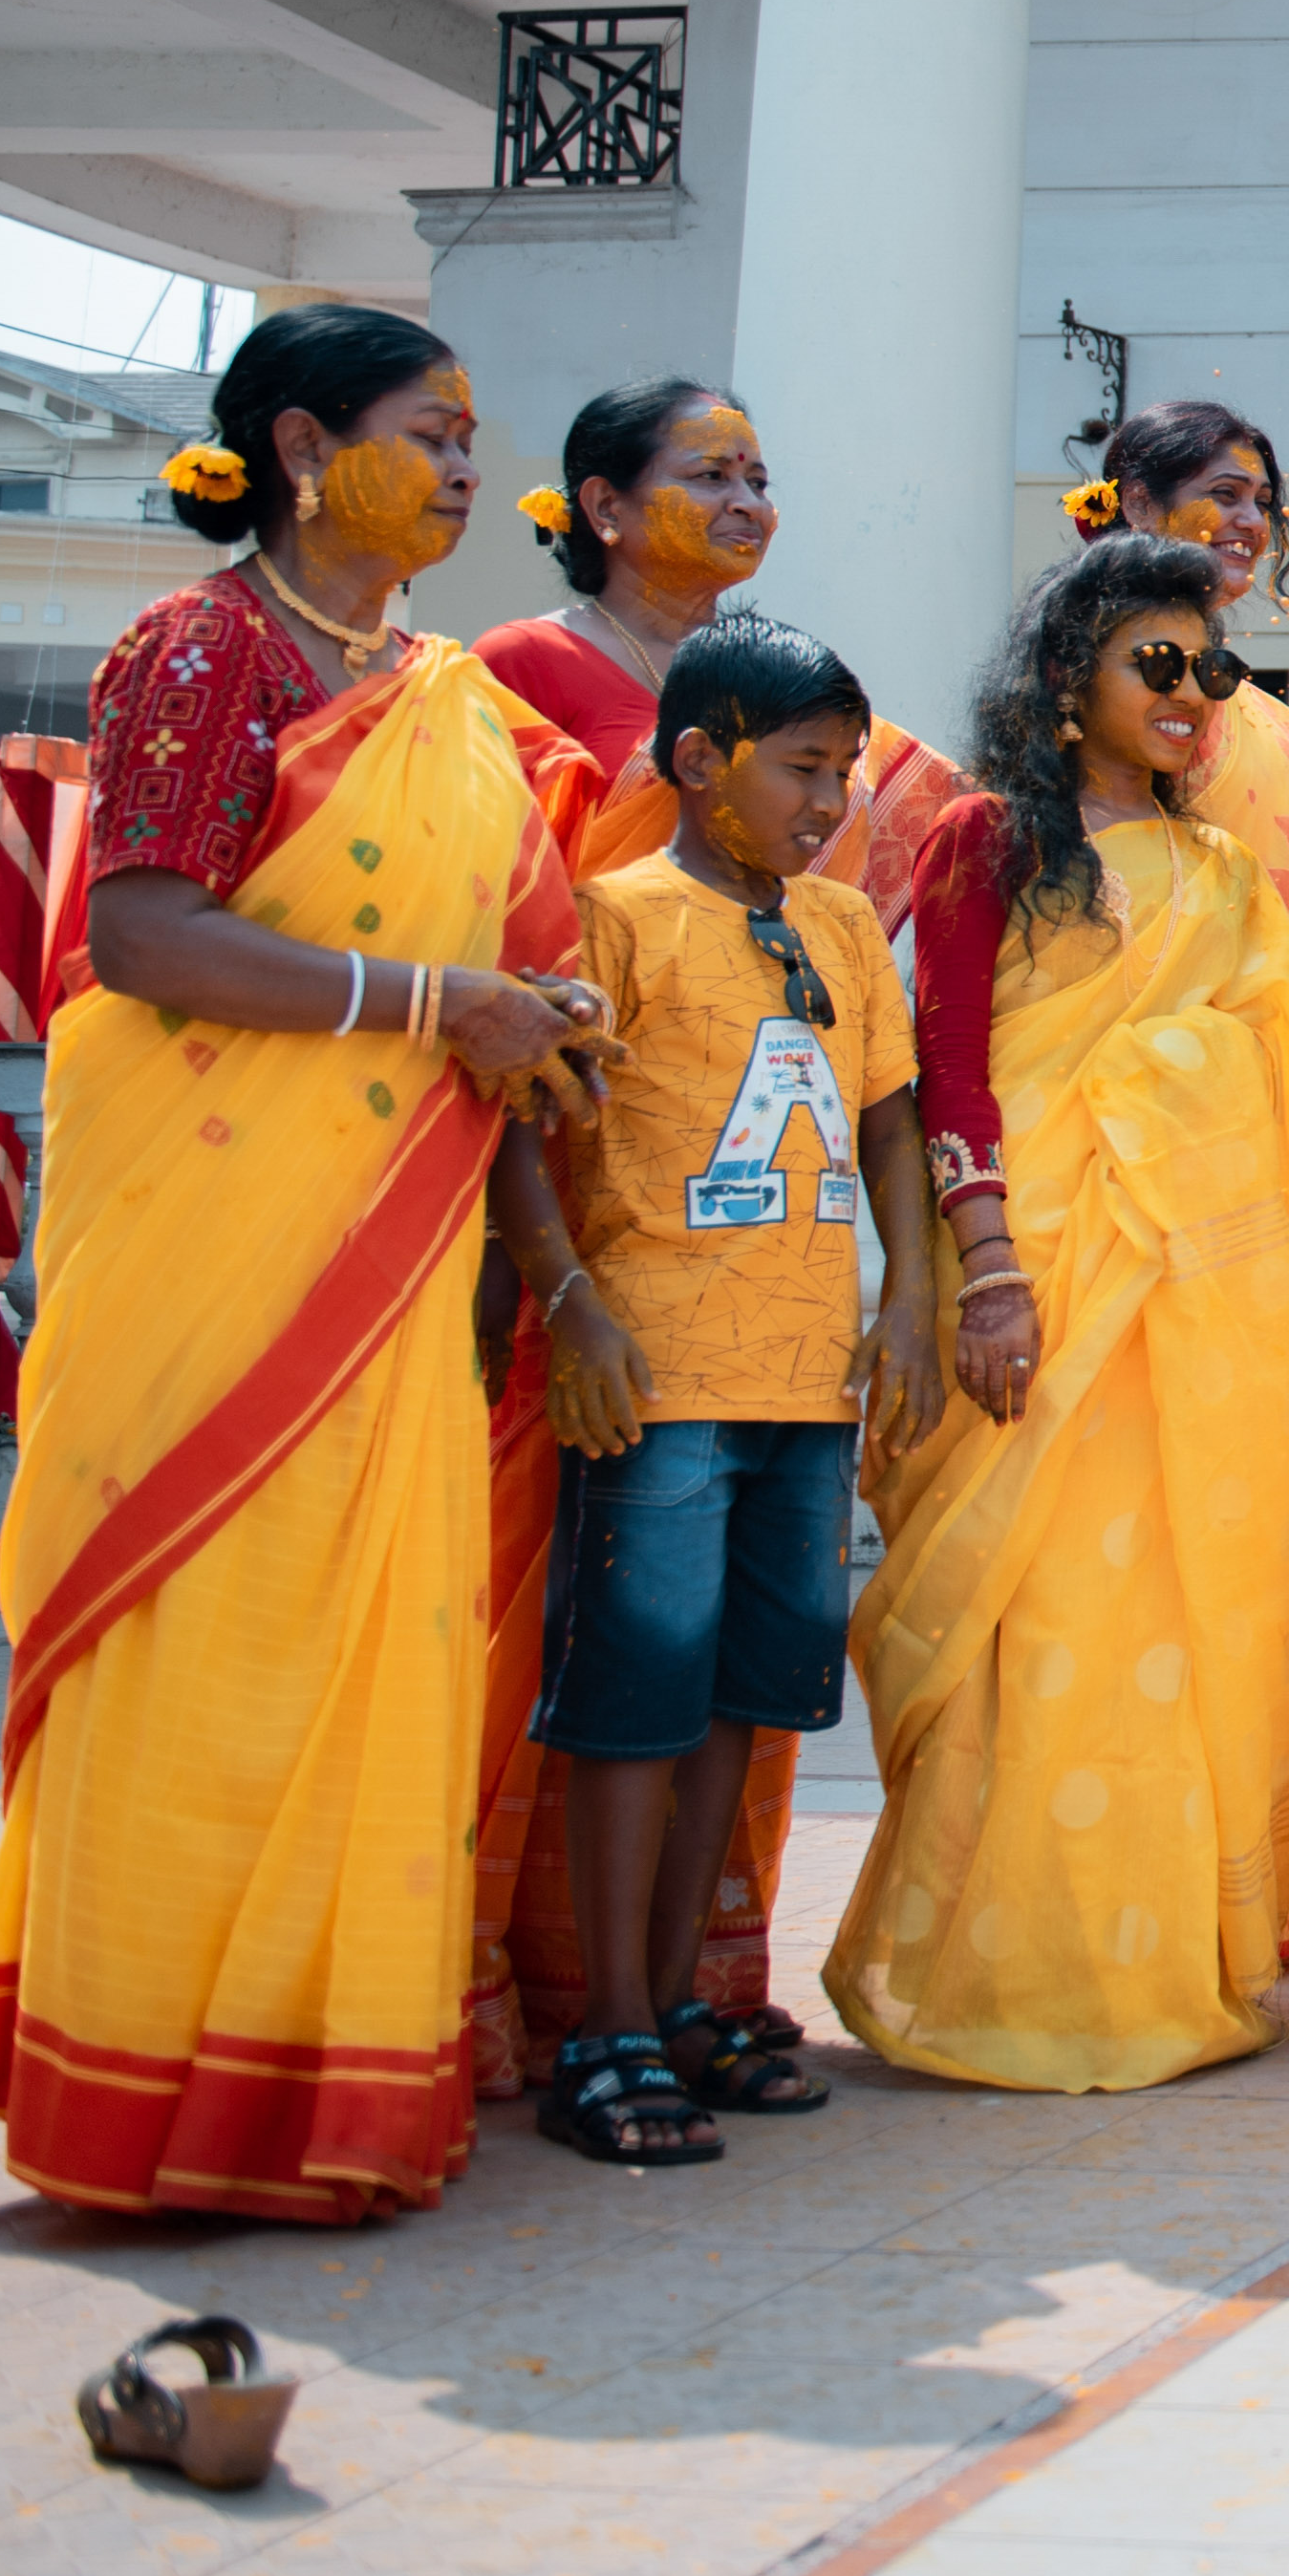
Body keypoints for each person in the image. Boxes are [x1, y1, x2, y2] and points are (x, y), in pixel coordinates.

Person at [0, 303, 610, 2221]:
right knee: (201, 1637)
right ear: (307, 449)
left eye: (480, 433)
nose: (472, 465)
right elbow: (138, 933)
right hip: (211, 1243)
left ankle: (317, 2081)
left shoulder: (446, 697)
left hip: (388, 1255)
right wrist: (433, 997)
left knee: (360, 1643)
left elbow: (501, 941)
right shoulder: (198, 647)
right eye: (433, 430)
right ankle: (145, 2096)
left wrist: (527, 1005)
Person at [463, 377, 956, 2093]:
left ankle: (683, 1995)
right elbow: (528, 1109)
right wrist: (574, 1302)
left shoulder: (829, 909)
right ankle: (600, 2020)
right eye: (708, 471)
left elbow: (889, 1111)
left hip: (806, 1378)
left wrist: (906, 1308)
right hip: (648, 1362)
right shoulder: (603, 886)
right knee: (630, 1699)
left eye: (766, 471)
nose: (837, 801)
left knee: (749, 1707)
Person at [840, 533, 1289, 2092]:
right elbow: (950, 1057)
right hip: (1048, 1273)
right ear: (1072, 685)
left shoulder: (1216, 876)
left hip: (1205, 1299)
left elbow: (1275, 1075)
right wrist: (984, 1266)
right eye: (1161, 666)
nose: (1200, 696)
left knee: (1181, 1622)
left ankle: (1166, 1961)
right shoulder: (993, 839)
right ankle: (996, 1966)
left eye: (1217, 670)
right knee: (1039, 1608)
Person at [1072, 399, 1289, 885]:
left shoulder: (1254, 711)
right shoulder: (1083, 681)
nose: (1253, 522)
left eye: (1263, 503)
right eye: (1227, 494)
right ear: (1140, 504)